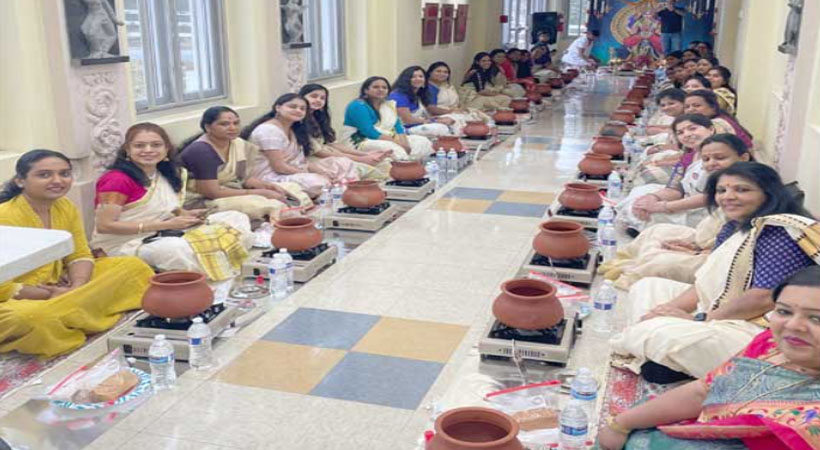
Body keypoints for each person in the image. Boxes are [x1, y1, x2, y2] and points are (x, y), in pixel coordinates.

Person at [612, 162, 818, 383]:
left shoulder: (779, 233)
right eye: (722, 190)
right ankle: (670, 356)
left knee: (657, 334)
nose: (728, 197)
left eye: (742, 189)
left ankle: (666, 353)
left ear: (768, 193)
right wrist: (665, 311)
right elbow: (706, 281)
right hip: (725, 311)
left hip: (760, 329)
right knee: (648, 286)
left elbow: (763, 298)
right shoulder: (734, 225)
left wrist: (700, 319)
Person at [599, 265, 820, 450]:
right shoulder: (768, 344)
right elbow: (704, 391)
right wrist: (620, 425)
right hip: (708, 428)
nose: (793, 326)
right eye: (784, 311)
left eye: (816, 318)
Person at [0, 150, 154, 358]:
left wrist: (76, 285)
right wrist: (48, 294)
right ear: (20, 180)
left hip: (60, 285)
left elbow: (79, 253)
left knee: (132, 267)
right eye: (44, 175)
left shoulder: (65, 206)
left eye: (64, 174)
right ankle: (72, 315)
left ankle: (69, 312)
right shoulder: (4, 217)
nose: (58, 181)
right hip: (13, 298)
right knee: (34, 318)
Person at [92, 123, 252, 280]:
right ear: (128, 150)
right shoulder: (117, 180)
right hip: (128, 242)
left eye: (156, 145)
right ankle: (203, 283)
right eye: (139, 146)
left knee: (236, 218)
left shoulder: (165, 173)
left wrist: (187, 215)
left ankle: (222, 268)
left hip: (164, 231)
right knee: (176, 249)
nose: (148, 150)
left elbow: (167, 209)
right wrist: (165, 225)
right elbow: (105, 225)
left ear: (166, 149)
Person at [601, 134, 752, 288]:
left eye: (720, 158)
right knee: (656, 230)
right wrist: (693, 245)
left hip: (722, 257)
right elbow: (679, 190)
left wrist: (697, 251)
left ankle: (631, 274)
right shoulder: (718, 176)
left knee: (661, 260)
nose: (712, 163)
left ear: (744, 157)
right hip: (706, 240)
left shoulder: (750, 188)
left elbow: (736, 242)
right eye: (706, 159)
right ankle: (628, 260)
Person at [179, 106, 308, 220]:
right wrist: (259, 192)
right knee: (263, 204)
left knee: (290, 189)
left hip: (232, 189)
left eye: (236, 123)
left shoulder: (238, 144)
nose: (232, 128)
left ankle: (293, 217)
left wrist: (266, 186)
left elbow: (243, 178)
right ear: (208, 127)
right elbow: (211, 192)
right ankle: (282, 225)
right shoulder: (201, 150)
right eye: (224, 124)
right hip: (202, 200)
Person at [618, 115, 718, 231]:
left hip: (707, 214)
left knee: (646, 216)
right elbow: (675, 188)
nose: (687, 134)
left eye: (692, 128)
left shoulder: (719, 157)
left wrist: (663, 206)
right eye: (680, 132)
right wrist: (651, 198)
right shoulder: (689, 156)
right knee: (637, 201)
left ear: (711, 129)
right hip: (687, 204)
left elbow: (711, 196)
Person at [244, 94, 354, 197]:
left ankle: (344, 190)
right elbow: (279, 167)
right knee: (316, 182)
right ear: (278, 108)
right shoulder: (268, 130)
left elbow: (302, 161)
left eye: (302, 109)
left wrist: (322, 172)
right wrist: (313, 174)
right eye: (292, 107)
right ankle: (336, 191)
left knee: (344, 163)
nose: (298, 110)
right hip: (270, 177)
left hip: (295, 171)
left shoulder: (294, 129)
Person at [298, 84, 392, 181]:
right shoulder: (300, 121)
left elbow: (332, 143)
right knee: (363, 169)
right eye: (313, 96)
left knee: (384, 164)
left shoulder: (318, 118)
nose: (318, 100)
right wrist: (361, 159)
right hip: (313, 160)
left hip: (332, 154)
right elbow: (319, 152)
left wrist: (365, 154)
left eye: (322, 98)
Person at [343, 76, 433, 161]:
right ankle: (403, 167)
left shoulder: (388, 105)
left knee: (421, 141)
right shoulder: (358, 106)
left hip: (388, 137)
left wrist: (404, 143)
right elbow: (369, 132)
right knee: (391, 148)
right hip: (361, 140)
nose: (380, 90)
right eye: (376, 87)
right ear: (366, 90)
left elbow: (398, 127)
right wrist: (399, 143)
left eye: (384, 88)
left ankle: (413, 164)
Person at [425, 61, 491, 135]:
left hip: (453, 111)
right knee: (465, 121)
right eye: (438, 71)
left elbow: (456, 102)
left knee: (477, 115)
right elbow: (431, 108)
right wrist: (451, 111)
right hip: (439, 114)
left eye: (445, 72)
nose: (442, 74)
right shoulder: (429, 87)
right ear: (430, 73)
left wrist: (462, 109)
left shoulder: (448, 86)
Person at [388, 65, 453, 137]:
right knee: (438, 128)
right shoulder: (398, 95)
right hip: (402, 129)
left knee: (449, 121)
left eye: (421, 76)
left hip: (416, 125)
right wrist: (434, 121)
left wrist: (438, 119)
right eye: (413, 77)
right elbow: (407, 120)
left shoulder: (418, 94)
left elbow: (421, 117)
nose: (418, 79)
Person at [685, 90, 753, 148]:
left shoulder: (717, 124)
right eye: (687, 107)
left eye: (697, 106)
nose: (690, 109)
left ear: (713, 107)